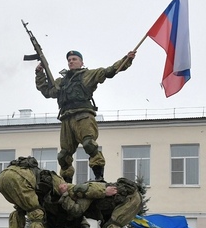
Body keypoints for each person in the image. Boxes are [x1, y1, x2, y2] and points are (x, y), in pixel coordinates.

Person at [35, 49, 136, 182]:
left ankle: (99, 177)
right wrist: (40, 74)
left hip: (83, 116)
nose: (71, 62)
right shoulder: (62, 81)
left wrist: (126, 59)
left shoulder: (88, 75)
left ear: (82, 62)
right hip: (66, 118)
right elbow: (48, 92)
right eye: (69, 60)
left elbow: (110, 71)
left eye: (74, 59)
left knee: (89, 144)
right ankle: (66, 184)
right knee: (63, 155)